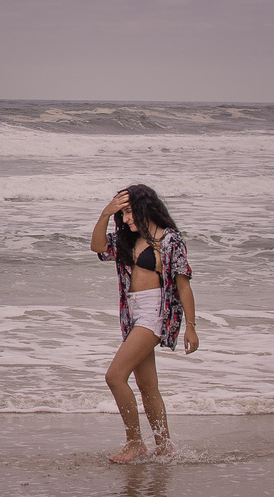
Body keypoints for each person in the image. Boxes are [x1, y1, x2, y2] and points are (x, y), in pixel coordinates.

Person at [90, 184, 198, 463]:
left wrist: (191, 326)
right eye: (121, 214)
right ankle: (164, 446)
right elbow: (98, 247)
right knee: (148, 386)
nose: (125, 219)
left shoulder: (170, 240)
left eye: (128, 212)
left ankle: (135, 442)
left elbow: (183, 284)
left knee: (114, 376)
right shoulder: (127, 239)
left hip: (154, 314)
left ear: (144, 208)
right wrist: (106, 214)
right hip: (132, 315)